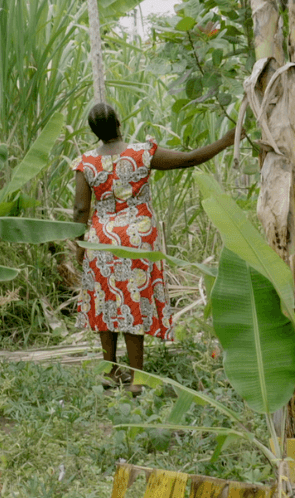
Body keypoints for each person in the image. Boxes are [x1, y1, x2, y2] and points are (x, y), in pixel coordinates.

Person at [72, 102, 239, 393]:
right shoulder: (142, 153)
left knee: (105, 299)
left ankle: (110, 372)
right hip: (137, 238)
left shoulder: (85, 163)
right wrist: (226, 140)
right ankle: (137, 379)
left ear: (94, 132)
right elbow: (188, 159)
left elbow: (80, 209)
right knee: (132, 301)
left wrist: (79, 245)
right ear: (119, 122)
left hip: (101, 239)